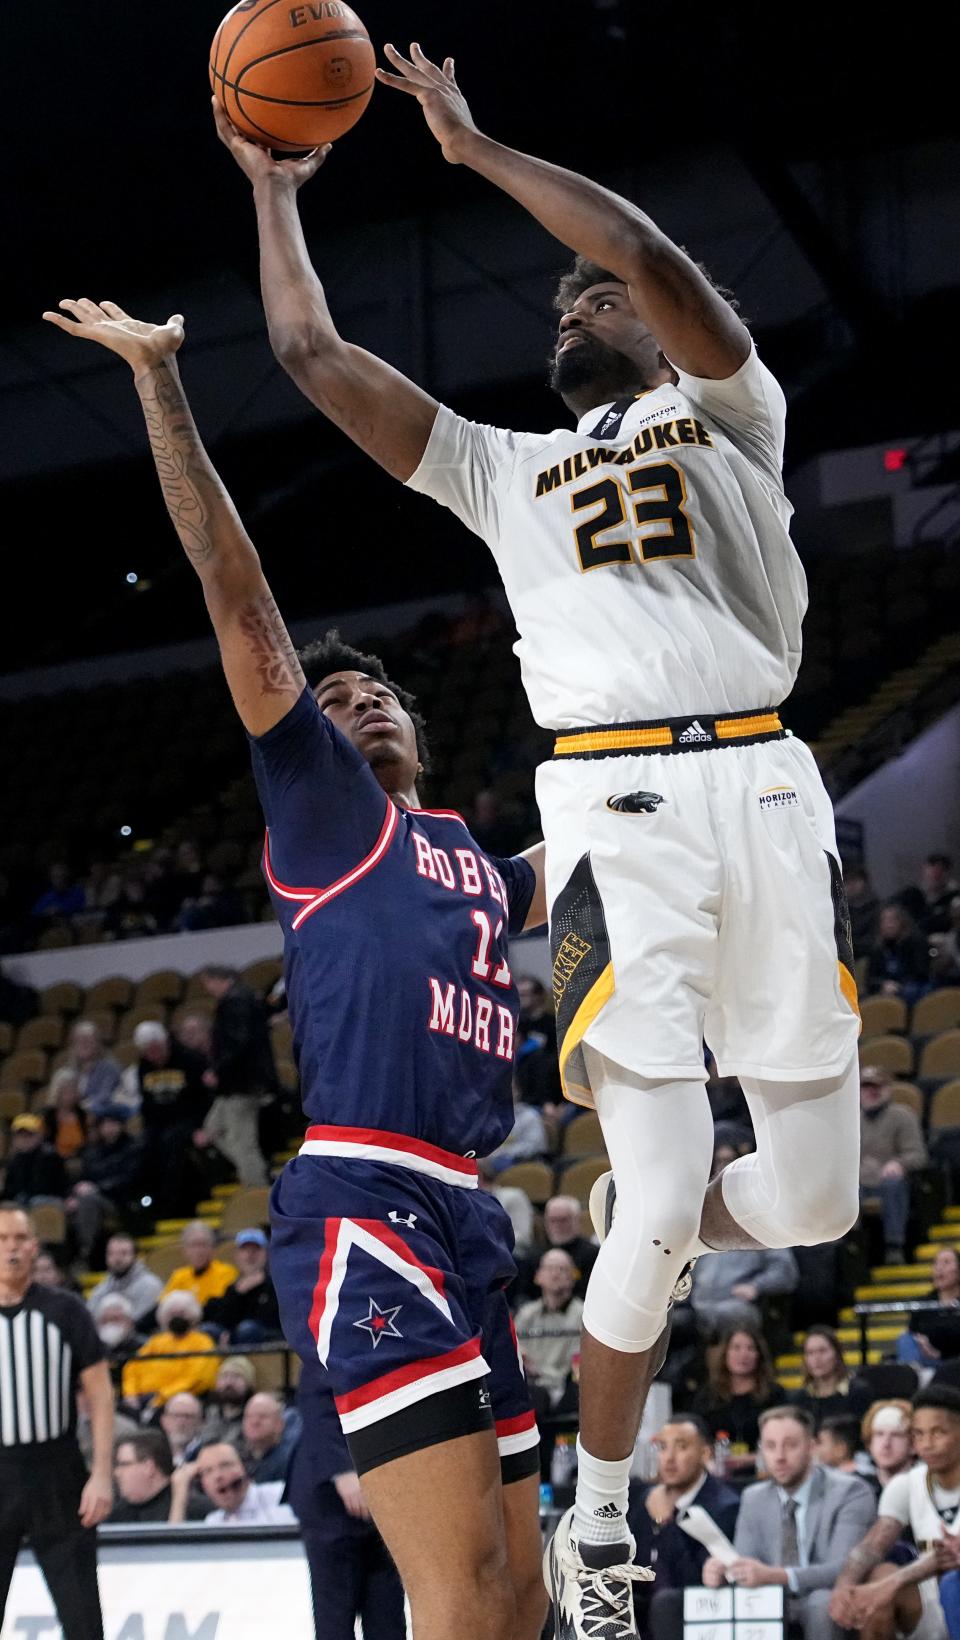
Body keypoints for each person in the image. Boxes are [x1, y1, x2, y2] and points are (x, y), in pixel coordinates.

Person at [213, 46, 863, 1635]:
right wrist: (272, 196)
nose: (579, 304)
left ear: (659, 324)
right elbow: (305, 348)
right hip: (606, 810)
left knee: (816, 1205)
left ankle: (683, 1228)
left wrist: (474, 144)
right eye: (560, 302)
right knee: (640, 1188)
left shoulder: (734, 410)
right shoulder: (503, 469)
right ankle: (594, 1509)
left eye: (601, 301)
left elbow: (641, 247)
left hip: (770, 789)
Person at [44, 295, 548, 1640]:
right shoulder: (328, 813)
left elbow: (612, 848)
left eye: (379, 691)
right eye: (330, 698)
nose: (358, 698)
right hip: (366, 1195)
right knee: (451, 1588)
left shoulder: (478, 867)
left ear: (423, 732)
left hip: (473, 1211)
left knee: (522, 1595)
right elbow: (235, 586)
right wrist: (161, 380)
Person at [0, 1204, 113, 1638]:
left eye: (19, 1240)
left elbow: (101, 1395)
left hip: (57, 1472)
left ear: (33, 1248)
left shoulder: (66, 1311)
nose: (11, 1249)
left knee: (82, 1614)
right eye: (3, 1240)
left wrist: (102, 1474)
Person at [704, 1405, 876, 1640]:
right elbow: (747, 1560)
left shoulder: (851, 1492)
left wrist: (775, 1576)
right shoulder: (754, 1497)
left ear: (812, 1447)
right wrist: (726, 1571)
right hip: (768, 1598)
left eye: (791, 1445)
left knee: (820, 1602)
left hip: (823, 1595)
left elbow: (843, 1569)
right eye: (770, 1446)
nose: (780, 1457)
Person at [287, 1363, 407, 1640]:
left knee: (388, 1616)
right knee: (335, 1619)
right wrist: (342, 1472)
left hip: (387, 1487)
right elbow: (317, 1406)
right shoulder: (327, 1339)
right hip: (330, 1500)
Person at [830, 1386, 960, 1640]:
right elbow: (872, 1546)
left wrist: (889, 1585)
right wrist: (844, 1587)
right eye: (919, 1434)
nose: (927, 1444)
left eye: (938, 1432)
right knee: (877, 1578)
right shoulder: (908, 1483)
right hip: (931, 1603)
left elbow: (948, 1559)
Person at [627, 1413, 740, 1640]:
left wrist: (667, 1524)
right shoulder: (642, 1499)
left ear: (705, 1453)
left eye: (681, 1447)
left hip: (693, 1607)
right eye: (663, 1447)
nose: (669, 1458)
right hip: (642, 1604)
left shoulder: (723, 1505)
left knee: (664, 1603)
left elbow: (696, 1576)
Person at [198, 966, 274, 1187]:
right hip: (236, 1083)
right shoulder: (243, 999)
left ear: (220, 980)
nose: (208, 989)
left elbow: (237, 1043)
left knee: (241, 1141)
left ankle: (259, 1187)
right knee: (213, 1130)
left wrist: (218, 1069)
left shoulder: (235, 1003)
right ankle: (259, 1171)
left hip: (241, 1083)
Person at [127, 1021, 209, 1217]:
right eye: (149, 1052)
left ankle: (173, 1206)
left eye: (158, 1049)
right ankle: (146, 1204)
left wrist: (201, 1127)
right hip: (159, 1124)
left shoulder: (190, 1060)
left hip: (188, 1121)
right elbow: (147, 1105)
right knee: (142, 1149)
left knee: (172, 1147)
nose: (155, 1056)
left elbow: (204, 1099)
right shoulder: (143, 1068)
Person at [691, 1324, 788, 1464]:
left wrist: (752, 1459)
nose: (743, 1355)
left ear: (759, 1355)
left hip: (763, 1468)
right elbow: (697, 1434)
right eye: (736, 1348)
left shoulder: (774, 1393)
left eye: (750, 1348)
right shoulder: (708, 1395)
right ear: (725, 1354)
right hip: (717, 1468)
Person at [860, 1067, 927, 1265]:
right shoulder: (852, 1119)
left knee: (893, 1183)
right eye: (865, 1087)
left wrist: (898, 1163)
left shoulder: (902, 1115)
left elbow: (918, 1154)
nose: (870, 1091)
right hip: (861, 1181)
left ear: (887, 1089)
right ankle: (851, 1248)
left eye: (876, 1087)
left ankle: (894, 1246)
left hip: (888, 1181)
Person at [121, 1291, 219, 1411]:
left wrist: (162, 1397)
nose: (177, 1317)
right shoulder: (155, 1342)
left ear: (192, 1315)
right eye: (172, 1314)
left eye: (182, 1313)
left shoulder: (202, 1342)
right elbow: (132, 1368)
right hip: (140, 1399)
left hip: (178, 1401)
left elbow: (197, 1379)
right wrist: (130, 1394)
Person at [513, 1250, 585, 1404]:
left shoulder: (584, 1315)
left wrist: (541, 1372)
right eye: (550, 1268)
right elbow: (519, 1353)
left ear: (573, 1277)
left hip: (570, 1389)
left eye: (562, 1269)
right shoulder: (527, 1314)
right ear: (538, 1276)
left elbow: (579, 1363)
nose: (556, 1274)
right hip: (534, 1388)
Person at [688, 1242, 798, 1337]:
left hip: (738, 1302)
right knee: (677, 1319)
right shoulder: (710, 1230)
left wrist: (756, 1286)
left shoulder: (762, 1227)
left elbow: (785, 1273)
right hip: (697, 1304)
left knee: (723, 1314)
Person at [109, 1429, 207, 1524]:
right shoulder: (115, 1516)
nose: (117, 1473)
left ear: (149, 1467)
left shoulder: (195, 1510)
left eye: (124, 1464)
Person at [205, 1226, 283, 1344]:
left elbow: (272, 1320)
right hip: (234, 1337)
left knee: (247, 1328)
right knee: (208, 1330)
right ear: (236, 1256)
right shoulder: (233, 1287)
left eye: (255, 1250)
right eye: (245, 1250)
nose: (250, 1255)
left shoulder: (275, 1284)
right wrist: (238, 1293)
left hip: (266, 1339)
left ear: (266, 1255)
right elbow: (221, 1320)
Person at [195, 1438, 297, 1525]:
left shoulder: (281, 1495)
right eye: (208, 1471)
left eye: (226, 1465)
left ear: (248, 1468)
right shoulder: (213, 1522)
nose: (217, 1476)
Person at [516, 1195, 598, 1302]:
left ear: (577, 1220)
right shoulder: (533, 1256)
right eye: (552, 1220)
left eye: (563, 1220)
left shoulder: (592, 1254)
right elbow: (524, 1295)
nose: (557, 1225)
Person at [897, 1249, 960, 1369]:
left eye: (946, 1262)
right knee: (905, 1339)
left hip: (954, 1364)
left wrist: (939, 1354)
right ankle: (912, 1376)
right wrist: (923, 1346)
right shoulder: (923, 1304)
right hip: (926, 1362)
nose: (939, 1268)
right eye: (936, 1263)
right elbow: (914, 1332)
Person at [791, 1326, 862, 1430]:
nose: (816, 1358)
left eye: (823, 1351)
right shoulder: (798, 1399)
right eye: (810, 1353)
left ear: (837, 1354)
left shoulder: (858, 1392)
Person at [87, 1230, 163, 1326]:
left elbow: (141, 1323)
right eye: (111, 1254)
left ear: (136, 1257)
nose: (117, 1259)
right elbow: (89, 1319)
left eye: (124, 1253)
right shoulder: (101, 1288)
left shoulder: (151, 1285)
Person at [158, 1220, 237, 1310]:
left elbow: (219, 1306)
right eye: (193, 1245)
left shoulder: (226, 1272)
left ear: (213, 1249)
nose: (199, 1251)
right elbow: (162, 1305)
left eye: (203, 1245)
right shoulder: (179, 1276)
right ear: (185, 1251)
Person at [867, 905, 931, 1004]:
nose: (888, 925)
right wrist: (882, 985)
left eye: (892, 920)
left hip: (912, 985)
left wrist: (898, 985)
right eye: (884, 921)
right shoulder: (877, 949)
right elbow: (870, 979)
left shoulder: (916, 942)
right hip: (886, 988)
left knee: (911, 992)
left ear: (902, 922)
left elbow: (921, 972)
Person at [2, 1112, 68, 1205]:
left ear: (40, 1135)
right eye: (21, 1135)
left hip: (48, 1201)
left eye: (29, 1134)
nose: (25, 1139)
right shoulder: (15, 1159)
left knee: (34, 1201)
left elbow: (41, 1188)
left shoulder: (49, 1156)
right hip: (24, 1199)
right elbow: (9, 1191)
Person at [238, 1391, 300, 1484]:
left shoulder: (290, 1462)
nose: (255, 1421)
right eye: (249, 1416)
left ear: (280, 1424)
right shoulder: (239, 1458)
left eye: (262, 1416)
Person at [65, 1020, 124, 1115]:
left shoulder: (109, 1068)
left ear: (97, 1043)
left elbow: (105, 1096)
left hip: (103, 1116)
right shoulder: (71, 1070)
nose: (83, 1044)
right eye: (79, 1040)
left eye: (88, 1040)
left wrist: (79, 1108)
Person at [862, 1402, 915, 1492]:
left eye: (896, 1435)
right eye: (879, 1434)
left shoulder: (924, 1487)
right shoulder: (858, 1489)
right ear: (870, 1443)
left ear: (913, 1445)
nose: (886, 1443)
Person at [93, 1293, 146, 1373]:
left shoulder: (144, 1347)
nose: (110, 1325)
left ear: (129, 1322)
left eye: (116, 1319)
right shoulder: (93, 1349)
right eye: (105, 1321)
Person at [159, 1391, 204, 1467]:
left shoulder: (206, 1455)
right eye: (175, 1416)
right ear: (164, 1421)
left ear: (200, 1423)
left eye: (188, 1416)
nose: (181, 1423)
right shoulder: (154, 1454)